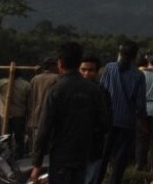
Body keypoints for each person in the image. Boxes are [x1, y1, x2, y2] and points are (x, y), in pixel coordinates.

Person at [31, 42, 108, 184]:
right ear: (79, 62)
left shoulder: (56, 89)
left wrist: (37, 164)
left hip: (61, 156)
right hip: (84, 155)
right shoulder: (93, 90)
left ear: (60, 63)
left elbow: (44, 129)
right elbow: (104, 123)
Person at [99, 40, 147, 184]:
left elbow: (101, 91)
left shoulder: (109, 68)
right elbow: (140, 104)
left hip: (107, 120)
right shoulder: (138, 75)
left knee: (102, 156)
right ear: (135, 56)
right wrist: (142, 123)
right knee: (120, 160)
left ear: (119, 53)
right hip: (127, 122)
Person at [79, 54, 112, 184]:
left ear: (97, 72)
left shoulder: (102, 93)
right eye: (83, 70)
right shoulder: (70, 90)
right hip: (72, 149)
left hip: (94, 147)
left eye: (90, 70)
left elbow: (106, 121)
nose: (86, 73)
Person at [0, 67, 31, 158]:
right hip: (19, 114)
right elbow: (29, 101)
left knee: (6, 137)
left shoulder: (2, 83)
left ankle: (7, 155)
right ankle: (18, 156)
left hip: (5, 115)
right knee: (19, 138)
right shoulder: (26, 85)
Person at [28, 57, 59, 147]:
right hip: (51, 114)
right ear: (51, 66)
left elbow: (30, 97)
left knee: (38, 142)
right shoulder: (57, 78)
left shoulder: (35, 79)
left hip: (36, 114)